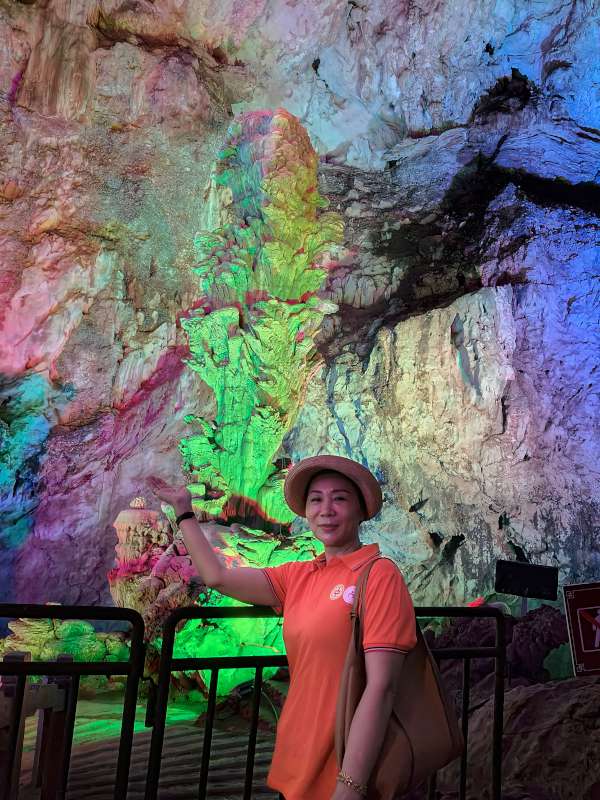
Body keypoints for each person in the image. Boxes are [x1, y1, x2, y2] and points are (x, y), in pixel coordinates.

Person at [149, 454, 417, 800]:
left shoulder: (379, 575)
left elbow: (382, 687)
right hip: (296, 756)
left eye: (339, 498)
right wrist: (184, 512)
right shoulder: (298, 576)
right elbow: (218, 577)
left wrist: (351, 785)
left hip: (346, 764)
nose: (326, 510)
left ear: (360, 510)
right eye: (315, 500)